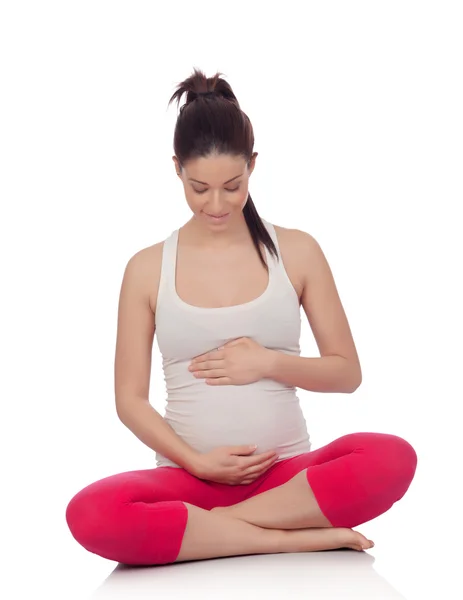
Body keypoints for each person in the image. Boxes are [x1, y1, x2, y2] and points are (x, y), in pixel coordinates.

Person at [65, 68, 418, 566]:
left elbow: (347, 373)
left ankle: (221, 532)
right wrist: (196, 462)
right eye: (199, 187)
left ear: (253, 165)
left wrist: (267, 362)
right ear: (176, 169)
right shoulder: (147, 268)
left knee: (392, 457)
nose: (216, 204)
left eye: (233, 186)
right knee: (91, 514)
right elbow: (129, 400)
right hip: (187, 483)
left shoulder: (297, 251)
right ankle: (285, 537)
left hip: (289, 479)